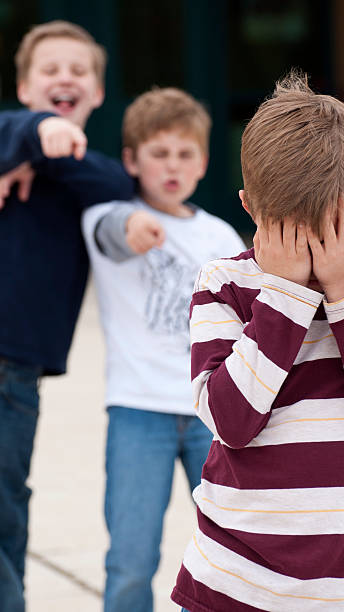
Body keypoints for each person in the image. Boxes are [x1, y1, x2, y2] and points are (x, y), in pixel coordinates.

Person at [171, 71, 344, 612]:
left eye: (329, 226)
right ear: (251, 209)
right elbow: (232, 421)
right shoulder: (224, 284)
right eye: (290, 231)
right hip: (239, 584)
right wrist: (283, 296)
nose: (313, 251)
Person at [81, 86, 246, 612]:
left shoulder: (220, 234)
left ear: (202, 163)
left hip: (209, 414)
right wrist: (131, 225)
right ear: (131, 159)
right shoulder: (109, 216)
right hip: (137, 411)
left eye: (184, 154)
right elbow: (109, 231)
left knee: (236, 546)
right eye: (158, 154)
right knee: (130, 560)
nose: (171, 166)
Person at [0, 20, 133, 611]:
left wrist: (46, 156)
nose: (65, 78)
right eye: (50, 70)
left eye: (79, 71)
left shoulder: (88, 175)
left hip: (14, 373)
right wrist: (34, 133)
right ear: (24, 87)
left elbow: (119, 184)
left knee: (5, 504)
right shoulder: (12, 132)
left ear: (98, 94)